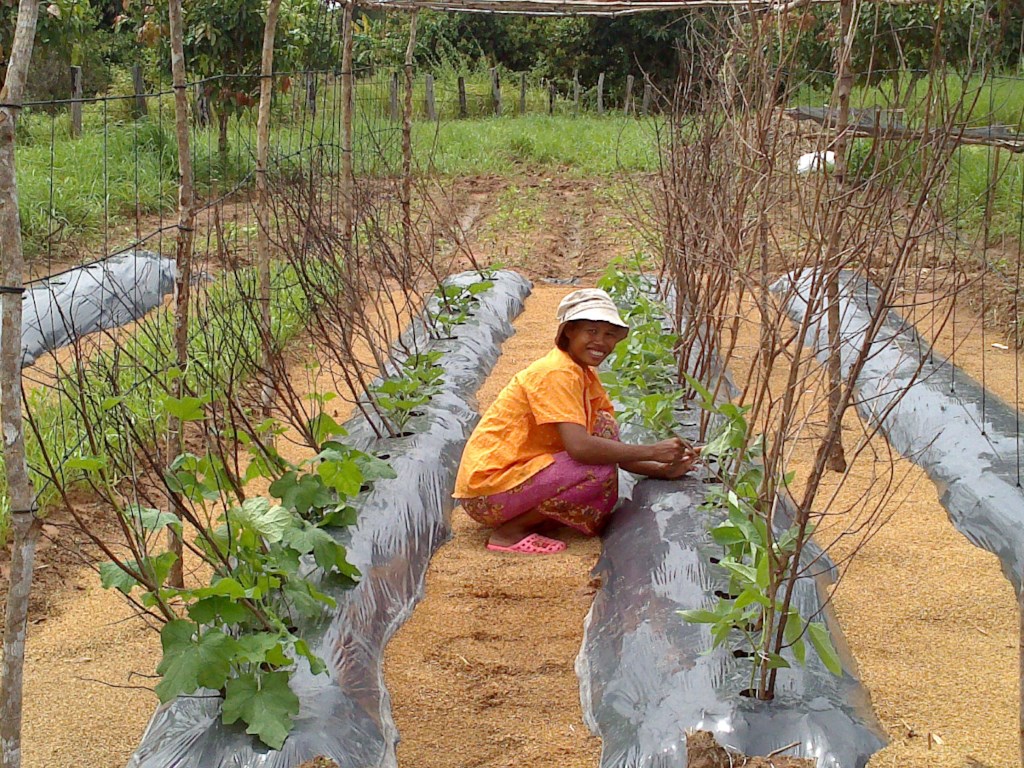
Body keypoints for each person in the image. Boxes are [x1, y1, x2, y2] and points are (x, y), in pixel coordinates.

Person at [453, 288, 699, 555]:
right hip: (487, 493)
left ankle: (531, 515)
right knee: (596, 469)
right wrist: (653, 451)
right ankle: (508, 533)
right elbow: (581, 449)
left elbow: (607, 446)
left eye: (608, 335)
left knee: (603, 427)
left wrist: (662, 468)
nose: (601, 342)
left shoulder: (580, 373)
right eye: (591, 332)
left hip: (507, 482)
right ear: (569, 331)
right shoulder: (557, 372)